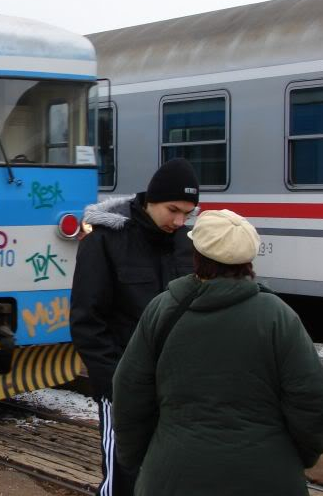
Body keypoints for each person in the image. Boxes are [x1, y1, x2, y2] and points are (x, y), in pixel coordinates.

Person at [112, 209, 323, 496]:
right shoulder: (278, 316)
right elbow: (312, 397)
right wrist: (296, 458)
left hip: (173, 476)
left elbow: (128, 393)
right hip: (267, 478)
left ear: (196, 253)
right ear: (248, 260)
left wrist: (144, 459)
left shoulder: (162, 310)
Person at [70, 157, 200, 496]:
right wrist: (114, 384)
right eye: (173, 209)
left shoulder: (187, 244)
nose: (179, 220)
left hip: (178, 387)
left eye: (187, 213)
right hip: (124, 385)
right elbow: (87, 319)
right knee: (124, 476)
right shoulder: (105, 241)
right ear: (151, 200)